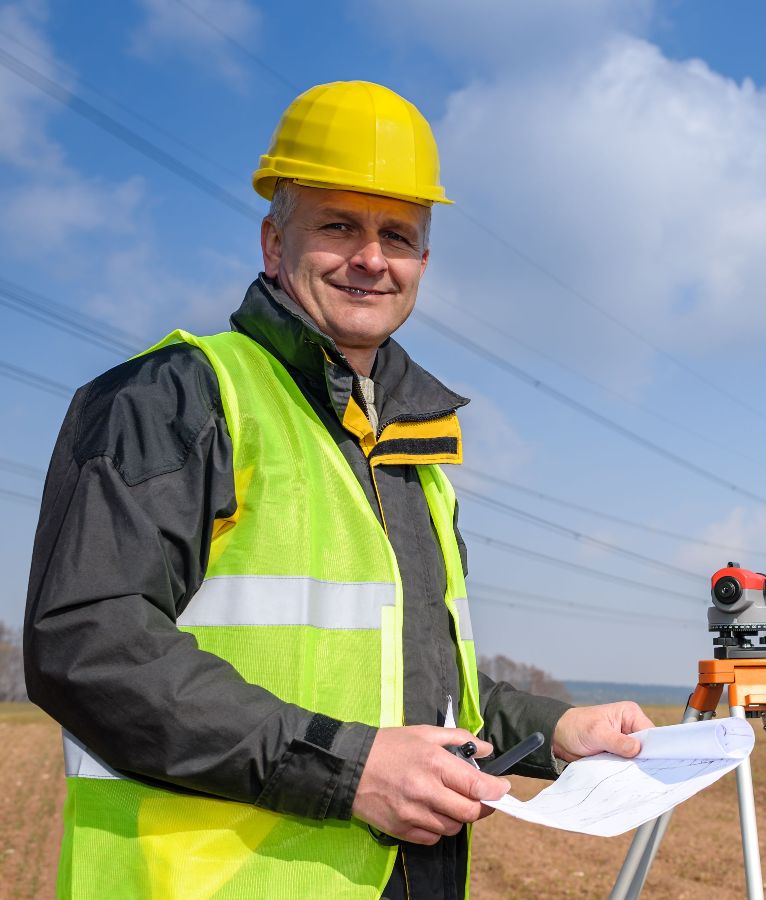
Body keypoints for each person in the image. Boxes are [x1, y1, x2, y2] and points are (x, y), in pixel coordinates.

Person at [24, 81, 654, 899]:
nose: (371, 258)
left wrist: (556, 730)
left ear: (422, 262)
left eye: (398, 235)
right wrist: (350, 770)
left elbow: (419, 687)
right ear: (272, 242)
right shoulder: (176, 397)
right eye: (338, 226)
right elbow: (89, 646)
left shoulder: (413, 453)